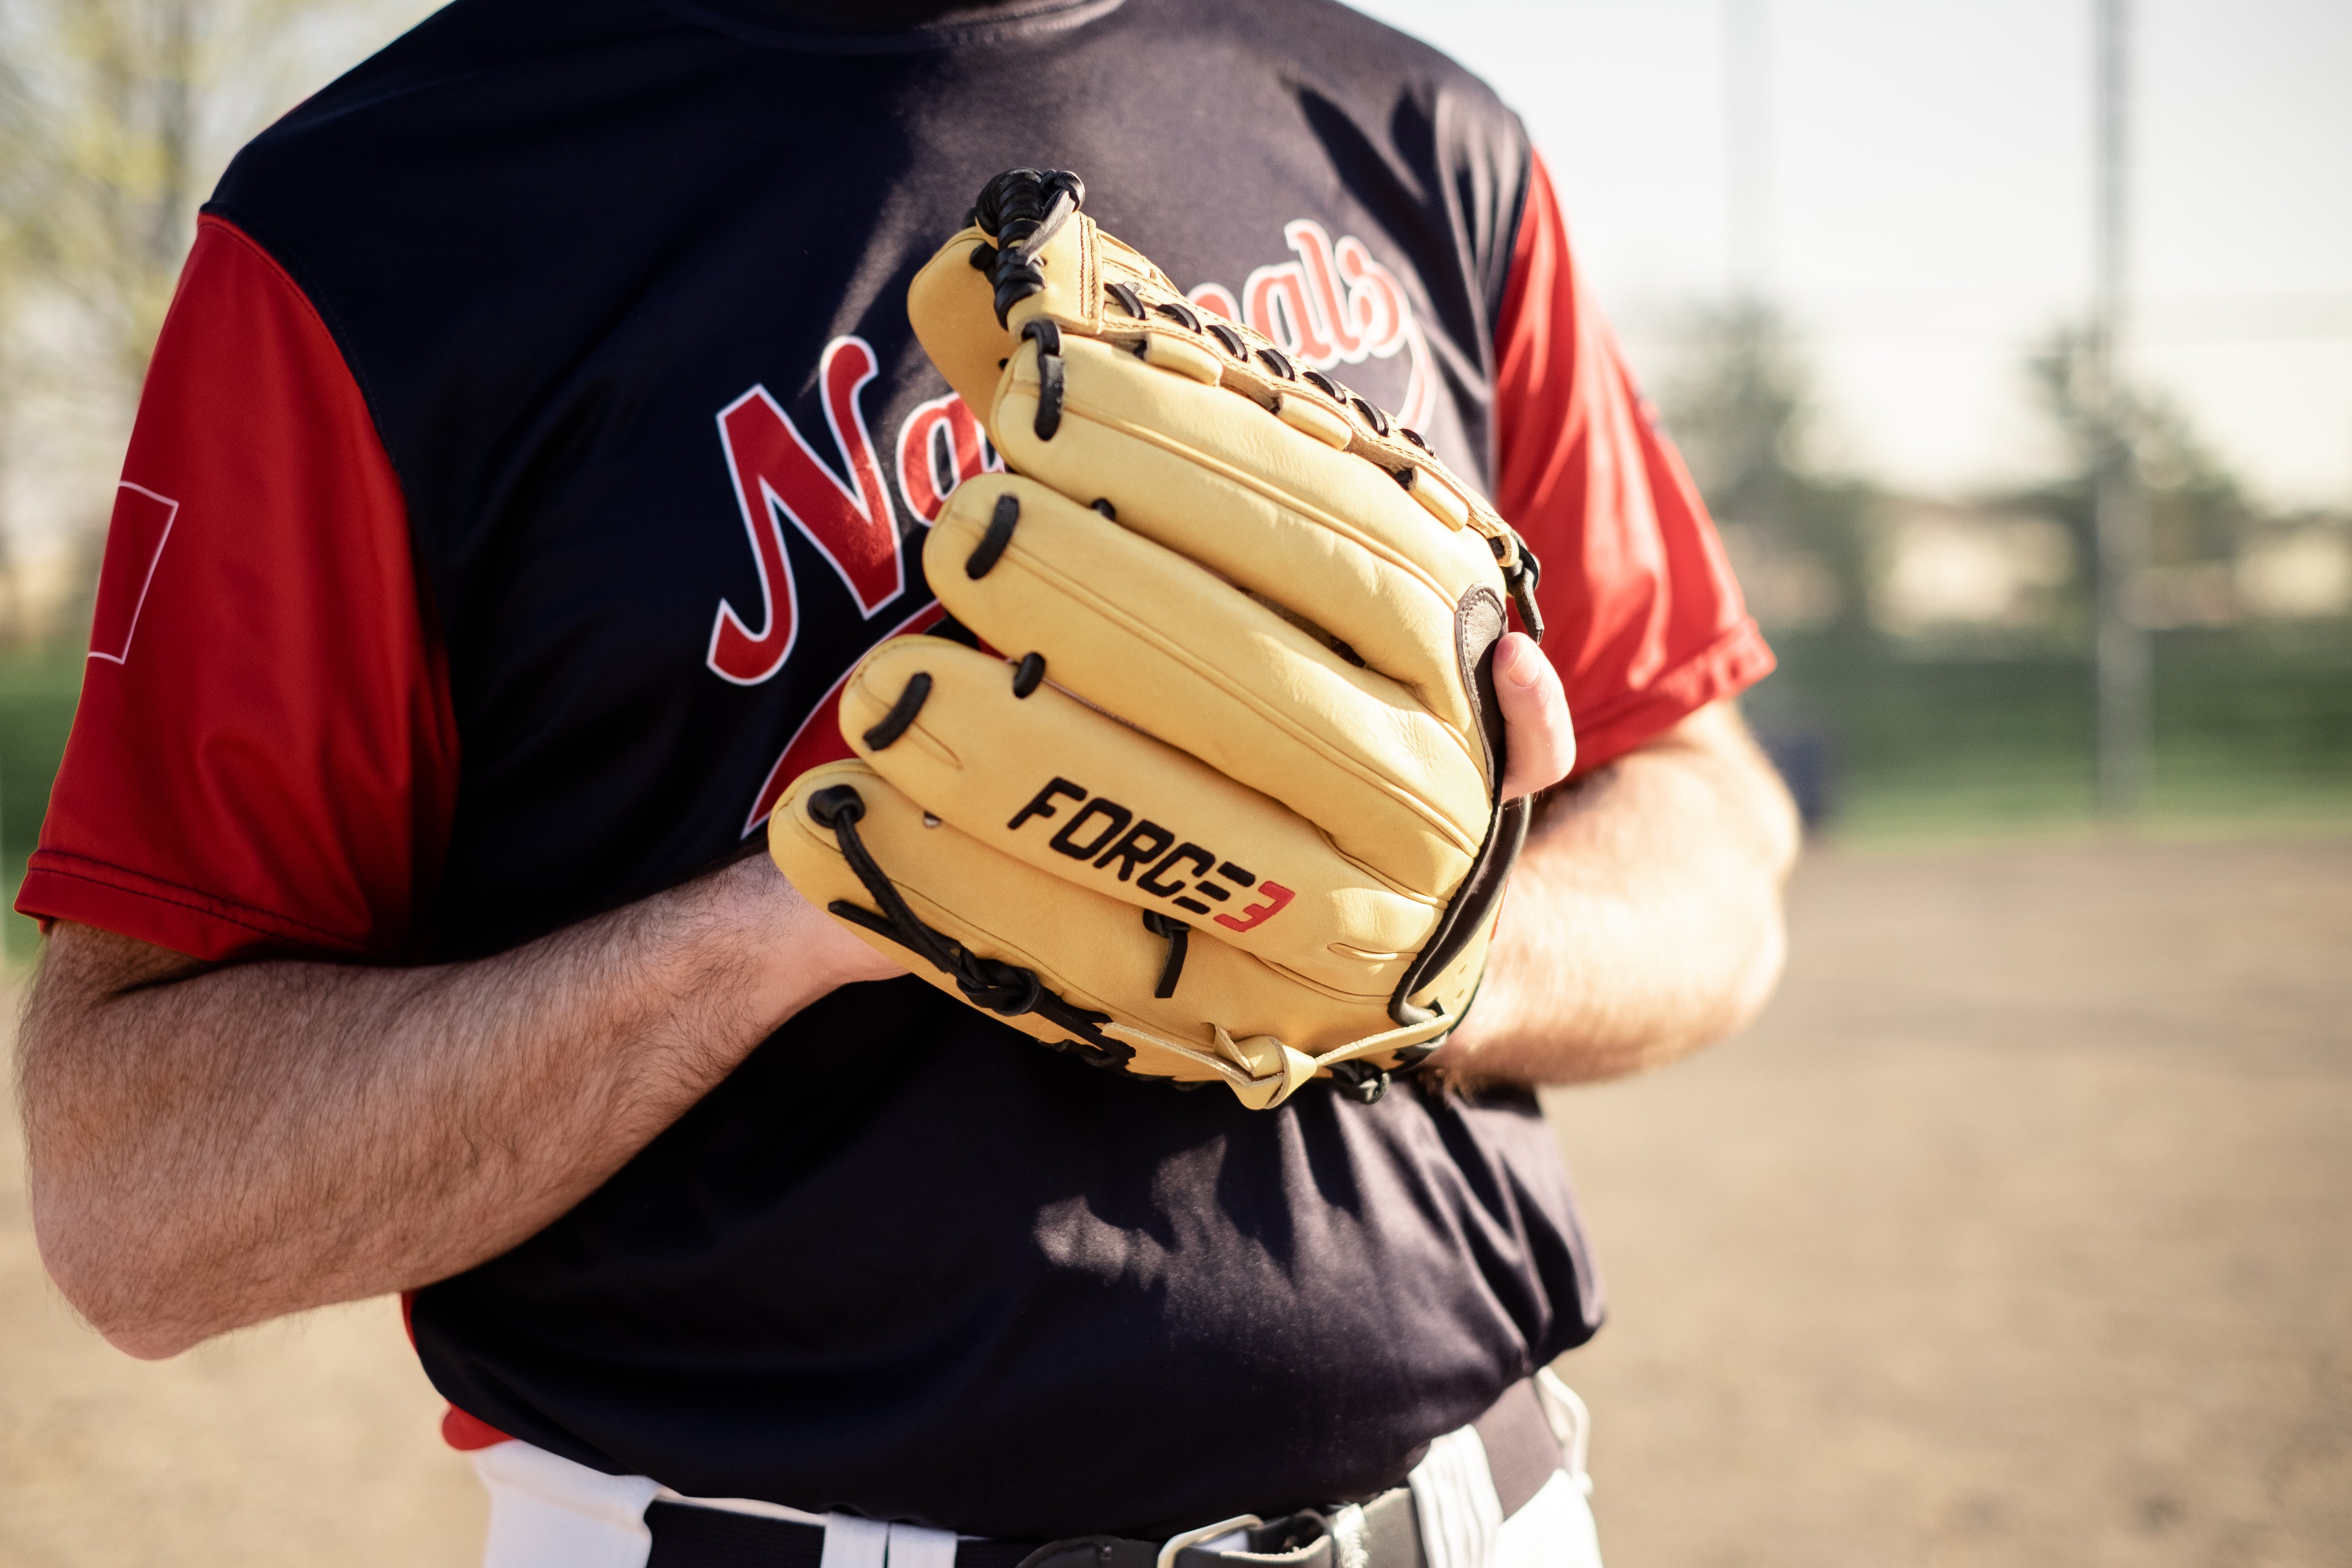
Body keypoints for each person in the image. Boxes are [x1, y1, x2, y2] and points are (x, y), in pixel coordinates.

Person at [15, 0, 1799, 1563]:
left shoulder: (1416, 132)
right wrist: (788, 925)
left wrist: (1433, 956)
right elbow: (139, 1206)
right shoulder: (385, 223)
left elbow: (1715, 835)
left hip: (1477, 1514)